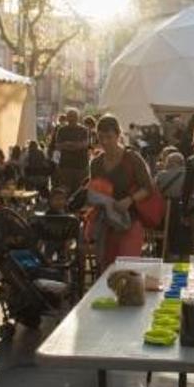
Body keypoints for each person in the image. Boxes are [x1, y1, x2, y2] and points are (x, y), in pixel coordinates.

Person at [88, 115, 154, 268]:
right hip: (106, 223)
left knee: (126, 268)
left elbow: (148, 187)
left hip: (130, 220)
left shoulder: (132, 158)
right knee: (106, 270)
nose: (104, 142)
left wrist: (130, 200)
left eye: (109, 137)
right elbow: (94, 188)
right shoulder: (96, 163)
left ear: (118, 135)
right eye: (101, 137)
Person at [52, 108, 90, 192]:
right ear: (67, 118)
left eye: (73, 116)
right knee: (65, 191)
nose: (71, 119)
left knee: (80, 191)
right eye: (70, 116)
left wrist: (68, 145)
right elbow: (58, 146)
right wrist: (56, 164)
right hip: (65, 166)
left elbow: (85, 144)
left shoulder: (83, 130)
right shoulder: (61, 130)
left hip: (81, 166)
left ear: (77, 118)